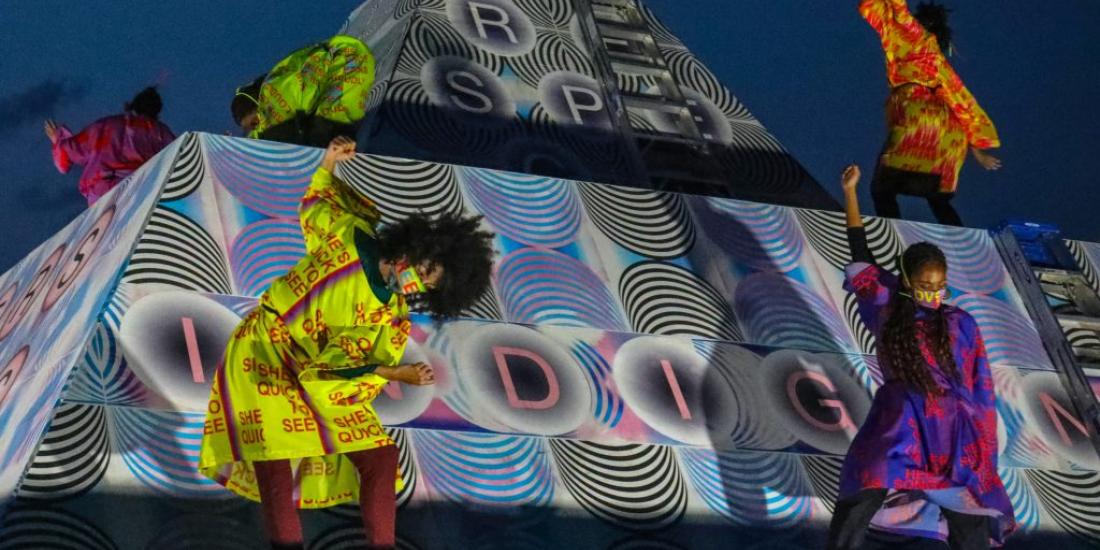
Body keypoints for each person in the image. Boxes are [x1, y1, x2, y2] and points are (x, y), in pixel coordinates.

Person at [198, 136, 495, 549]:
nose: (416, 282)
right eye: (424, 268)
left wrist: (391, 371)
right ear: (415, 247)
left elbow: (335, 374)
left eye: (428, 284)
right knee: (275, 457)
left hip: (318, 369)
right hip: (264, 350)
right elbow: (315, 208)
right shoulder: (352, 235)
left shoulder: (389, 314)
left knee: (380, 456)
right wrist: (329, 162)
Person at [826, 164, 1015, 549]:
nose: (934, 291)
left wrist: (982, 441)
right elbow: (860, 254)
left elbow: (980, 385)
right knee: (868, 481)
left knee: (968, 513)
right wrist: (850, 194)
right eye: (926, 284)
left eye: (941, 285)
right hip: (900, 418)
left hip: (951, 426)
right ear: (908, 280)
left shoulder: (961, 322)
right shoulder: (886, 304)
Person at [860, 0, 1001, 226]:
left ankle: (892, 232)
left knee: (882, 188)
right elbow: (960, 100)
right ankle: (960, 239)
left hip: (919, 117)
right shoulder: (937, 60)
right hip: (949, 133)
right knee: (937, 197)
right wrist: (977, 150)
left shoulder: (917, 36)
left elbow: (900, 13)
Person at [231, 35, 375, 147]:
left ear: (256, 105)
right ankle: (334, 145)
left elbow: (306, 95)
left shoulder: (272, 91)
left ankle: (337, 148)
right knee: (308, 128)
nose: (255, 126)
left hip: (347, 59)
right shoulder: (268, 107)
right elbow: (264, 130)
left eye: (254, 121)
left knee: (326, 122)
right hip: (335, 67)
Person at [44, 87, 175, 205]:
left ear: (133, 105)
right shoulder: (159, 131)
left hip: (102, 193)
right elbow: (180, 157)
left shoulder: (104, 127)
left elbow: (66, 157)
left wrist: (58, 140)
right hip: (140, 191)